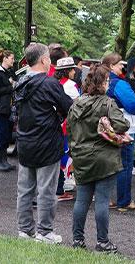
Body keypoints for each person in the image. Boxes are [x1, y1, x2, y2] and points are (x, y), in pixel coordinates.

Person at [67, 64, 129, 253]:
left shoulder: (76, 103)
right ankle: (102, 242)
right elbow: (122, 125)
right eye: (107, 81)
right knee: (101, 201)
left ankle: (78, 240)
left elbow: (69, 128)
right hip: (104, 157)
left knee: (81, 200)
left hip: (81, 156)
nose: (108, 84)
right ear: (102, 83)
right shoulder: (107, 103)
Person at [15, 42, 73, 243]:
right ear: (43, 60)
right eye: (48, 58)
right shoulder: (49, 83)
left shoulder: (20, 82)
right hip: (47, 141)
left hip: (25, 140)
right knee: (46, 190)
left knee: (25, 190)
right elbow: (68, 106)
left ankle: (25, 230)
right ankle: (45, 232)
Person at [103, 52, 135, 212]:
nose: (123, 66)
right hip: (123, 128)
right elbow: (133, 105)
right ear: (112, 66)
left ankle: (104, 198)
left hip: (104, 128)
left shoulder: (99, 81)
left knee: (105, 164)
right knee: (125, 164)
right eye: (120, 64)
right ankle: (124, 201)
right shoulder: (119, 83)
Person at [53, 56, 81, 200]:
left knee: (57, 156)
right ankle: (60, 188)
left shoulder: (53, 83)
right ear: (68, 71)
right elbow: (77, 106)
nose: (74, 72)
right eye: (72, 70)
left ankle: (57, 187)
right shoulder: (71, 85)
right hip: (67, 124)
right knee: (65, 154)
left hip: (54, 123)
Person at [0, 49, 16, 173]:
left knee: (5, 136)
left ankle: (4, 161)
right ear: (5, 59)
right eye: (12, 58)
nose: (13, 61)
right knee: (0, 136)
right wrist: (10, 87)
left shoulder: (8, 72)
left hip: (7, 108)